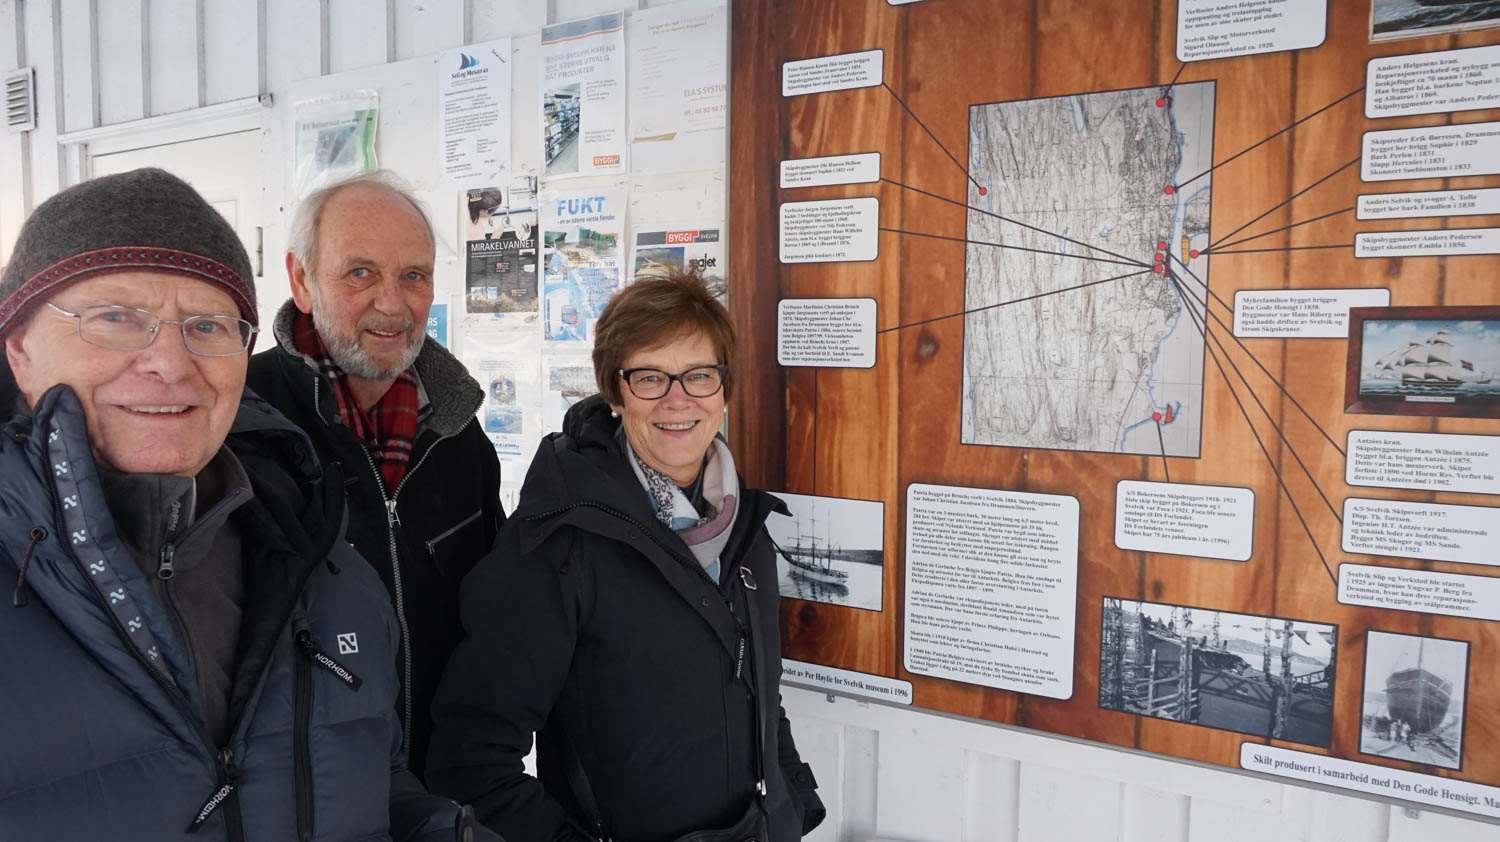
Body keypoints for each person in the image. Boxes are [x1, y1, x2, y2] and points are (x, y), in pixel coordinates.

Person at [0, 167, 492, 840]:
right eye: (115, 318)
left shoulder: (318, 538)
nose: (169, 364)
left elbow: (361, 778)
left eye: (206, 325)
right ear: (18, 349)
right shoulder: (279, 452)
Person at [427, 269, 826, 841]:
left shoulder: (745, 526)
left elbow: (758, 689)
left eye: (699, 375)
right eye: (650, 378)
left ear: (724, 388)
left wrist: (794, 802)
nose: (678, 400)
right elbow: (470, 762)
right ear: (615, 393)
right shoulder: (559, 543)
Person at [248, 171, 504, 778]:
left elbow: (496, 624)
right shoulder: (240, 428)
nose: (392, 304)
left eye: (413, 276)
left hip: (444, 790)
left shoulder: (458, 434)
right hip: (304, 805)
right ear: (302, 280)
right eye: (360, 273)